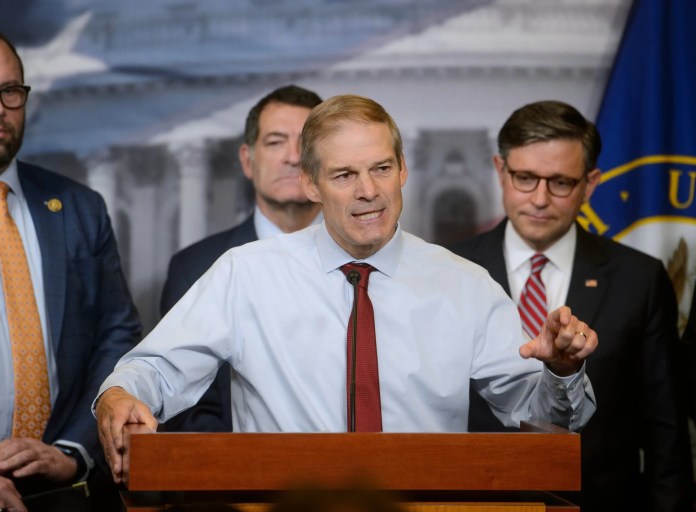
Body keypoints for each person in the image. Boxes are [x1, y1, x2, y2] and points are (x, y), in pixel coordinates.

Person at [94, 94, 598, 486]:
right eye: (344, 175)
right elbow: (153, 371)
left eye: (381, 168)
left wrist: (560, 370)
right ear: (311, 184)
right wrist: (119, 395)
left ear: (403, 170)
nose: (368, 191)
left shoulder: (465, 285)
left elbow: (546, 421)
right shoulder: (246, 274)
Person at [0, 23, 141, 511]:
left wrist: (74, 450)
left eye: (9, 91)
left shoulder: (80, 207)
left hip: (63, 490)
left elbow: (118, 336)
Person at [450, 100, 693, 511]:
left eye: (560, 182)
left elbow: (665, 434)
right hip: (477, 500)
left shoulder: (641, 279)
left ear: (590, 184)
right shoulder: (451, 271)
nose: (541, 199)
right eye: (525, 178)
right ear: (500, 171)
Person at [159, 84, 323, 432]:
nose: (294, 157)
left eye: (307, 144)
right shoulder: (194, 269)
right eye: (276, 142)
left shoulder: (369, 262)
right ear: (248, 161)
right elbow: (186, 409)